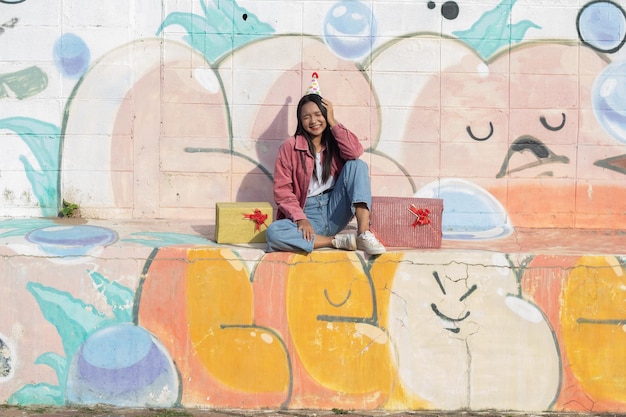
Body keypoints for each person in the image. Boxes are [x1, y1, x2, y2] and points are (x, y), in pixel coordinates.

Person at [264, 93, 386, 255]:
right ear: (300, 121)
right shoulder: (290, 146)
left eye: (318, 114)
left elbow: (355, 152)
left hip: (335, 208)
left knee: (357, 165)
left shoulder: (336, 142)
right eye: (306, 117)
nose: (313, 121)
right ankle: (335, 241)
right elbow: (283, 191)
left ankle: (363, 233)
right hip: (308, 214)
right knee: (274, 232)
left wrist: (333, 122)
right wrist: (301, 219)